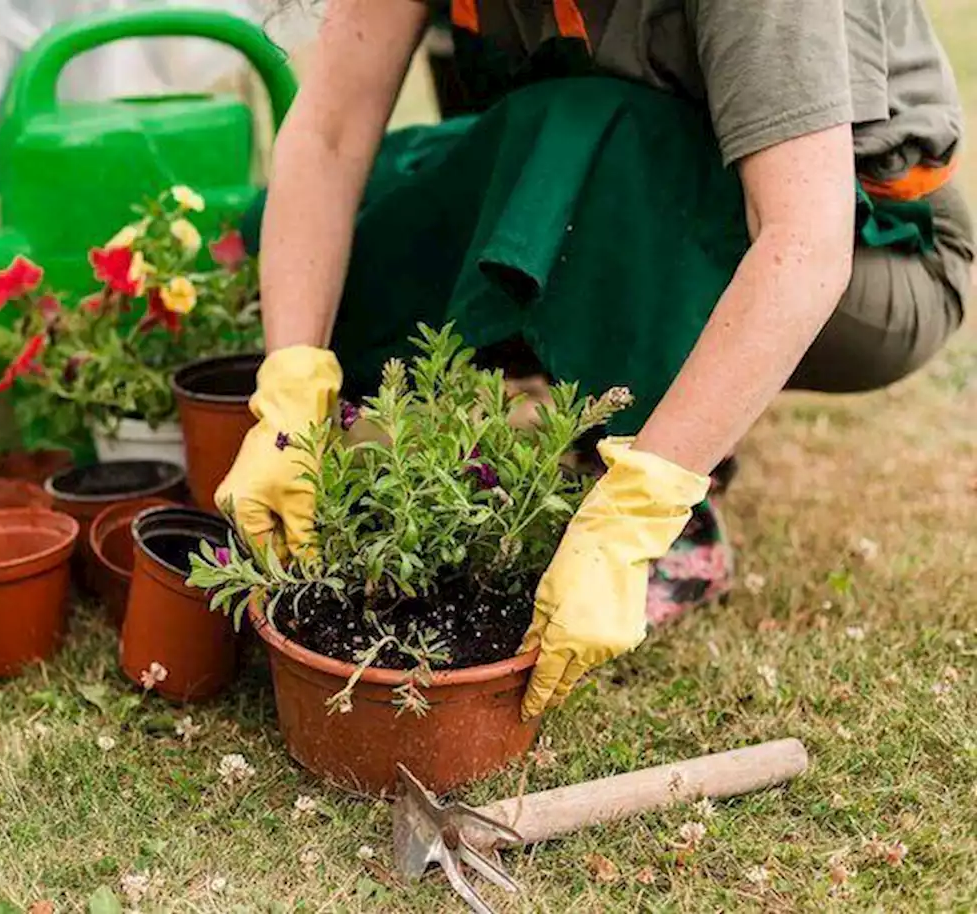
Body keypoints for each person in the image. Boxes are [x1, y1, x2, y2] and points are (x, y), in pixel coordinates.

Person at [216, 0, 973, 720]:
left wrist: (638, 509)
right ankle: (619, 397)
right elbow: (329, 136)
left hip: (879, 252)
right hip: (645, 182)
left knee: (582, 129)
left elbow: (804, 245)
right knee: (350, 213)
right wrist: (291, 379)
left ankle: (682, 503)